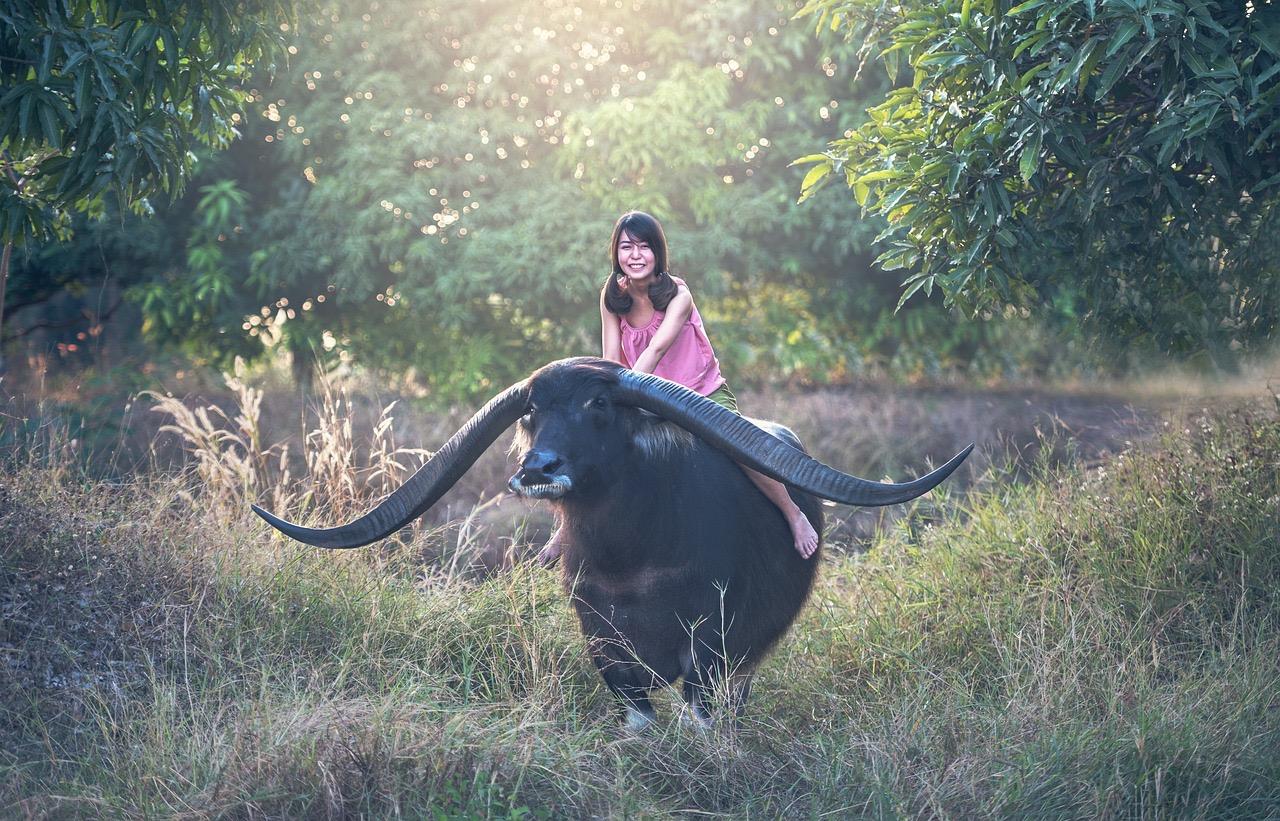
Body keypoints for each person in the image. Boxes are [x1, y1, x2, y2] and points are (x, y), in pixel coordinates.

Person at [537, 210, 820, 565]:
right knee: (595, 449)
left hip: (698, 392)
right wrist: (609, 401)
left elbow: (656, 349)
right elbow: (609, 357)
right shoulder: (611, 296)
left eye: (644, 247)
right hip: (643, 396)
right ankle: (563, 533)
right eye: (627, 247)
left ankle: (794, 515)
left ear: (658, 253)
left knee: (741, 447)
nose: (635, 255)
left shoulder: (678, 295)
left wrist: (626, 391)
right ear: (616, 254)